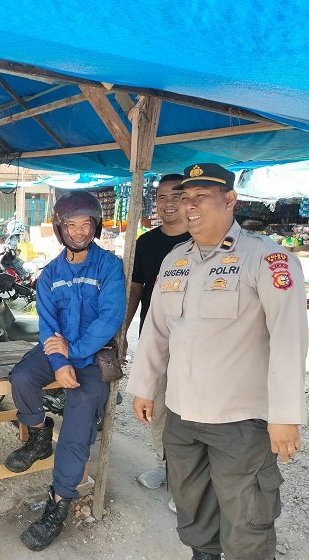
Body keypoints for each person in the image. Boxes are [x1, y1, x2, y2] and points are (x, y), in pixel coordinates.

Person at [128, 163, 308, 560]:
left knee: (247, 509)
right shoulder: (176, 259)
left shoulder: (266, 258)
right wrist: (143, 385)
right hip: (183, 411)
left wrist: (285, 415)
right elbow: (156, 330)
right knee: (190, 497)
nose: (188, 207)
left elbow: (289, 337)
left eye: (201, 198)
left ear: (230, 200)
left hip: (240, 415)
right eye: (184, 198)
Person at [4, 191, 125, 551]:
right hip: (58, 349)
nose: (79, 231)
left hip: (92, 354)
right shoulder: (51, 273)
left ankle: (59, 502)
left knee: (79, 419)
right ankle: (39, 435)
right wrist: (59, 363)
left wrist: (74, 353)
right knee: (22, 378)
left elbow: (110, 318)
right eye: (71, 224)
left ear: (95, 226)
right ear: (60, 228)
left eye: (86, 223)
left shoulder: (109, 267)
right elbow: (47, 324)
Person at [122, 173, 191, 497]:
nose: (168, 203)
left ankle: (188, 479)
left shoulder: (200, 240)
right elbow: (135, 291)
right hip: (157, 339)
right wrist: (122, 334)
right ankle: (165, 465)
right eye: (162, 197)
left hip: (194, 342)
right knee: (158, 405)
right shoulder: (146, 243)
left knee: (190, 408)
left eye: (176, 196)